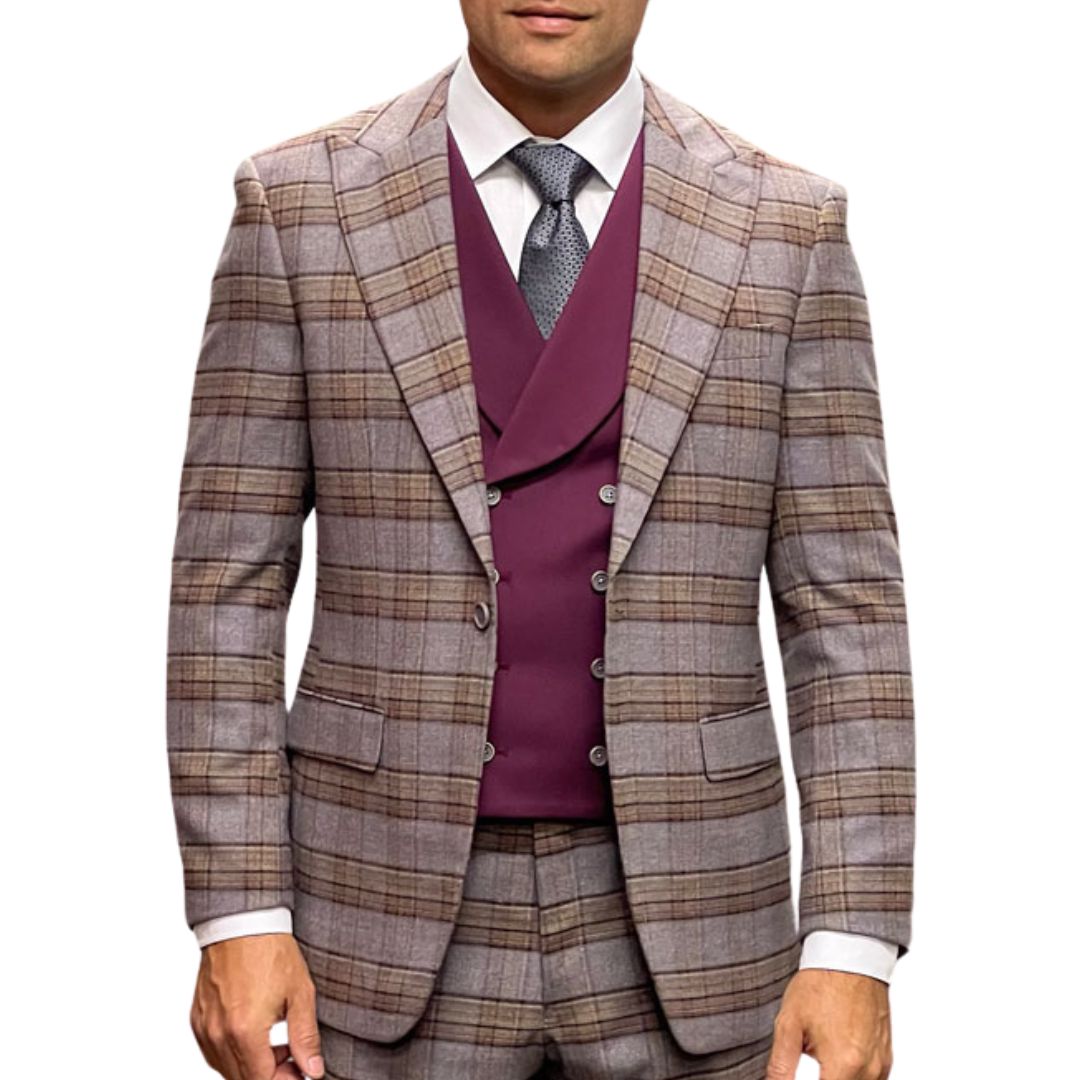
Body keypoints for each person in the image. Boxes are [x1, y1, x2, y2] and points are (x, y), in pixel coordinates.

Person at [166, 2, 916, 1077]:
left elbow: (846, 609)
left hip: (698, 922)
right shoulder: (301, 207)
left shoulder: (784, 227)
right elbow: (227, 586)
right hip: (373, 915)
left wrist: (853, 939)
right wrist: (239, 910)